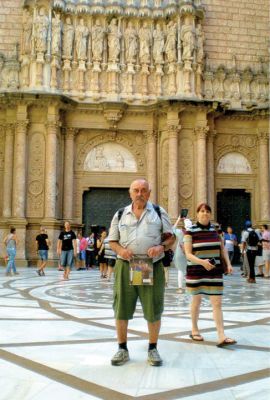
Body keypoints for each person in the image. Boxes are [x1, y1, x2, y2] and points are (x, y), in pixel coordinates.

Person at [108, 178, 174, 366]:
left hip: (148, 265)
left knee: (153, 307)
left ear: (149, 193)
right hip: (126, 264)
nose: (139, 194)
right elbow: (112, 241)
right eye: (136, 190)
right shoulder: (120, 214)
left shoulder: (159, 213)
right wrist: (121, 251)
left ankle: (153, 348)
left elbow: (171, 238)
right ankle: (122, 349)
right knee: (122, 307)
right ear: (130, 193)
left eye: (143, 190)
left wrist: (161, 247)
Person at [183, 203, 236, 347]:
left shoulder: (217, 231)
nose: (204, 213)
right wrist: (202, 262)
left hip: (215, 270)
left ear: (210, 214)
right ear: (197, 214)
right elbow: (188, 254)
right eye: (201, 211)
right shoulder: (190, 231)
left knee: (217, 303)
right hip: (196, 271)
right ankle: (194, 329)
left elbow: (223, 249)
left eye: (207, 211)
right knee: (196, 301)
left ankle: (221, 335)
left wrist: (229, 264)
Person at [173, 216, 188, 294]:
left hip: (180, 251)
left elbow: (172, 229)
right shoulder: (191, 231)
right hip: (189, 251)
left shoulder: (179, 232)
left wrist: (178, 219)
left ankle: (180, 288)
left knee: (180, 270)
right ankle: (189, 286)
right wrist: (186, 219)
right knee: (188, 269)